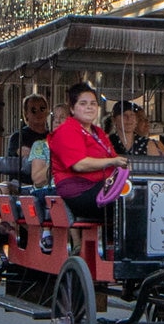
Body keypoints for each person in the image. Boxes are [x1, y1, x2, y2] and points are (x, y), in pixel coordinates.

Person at [44, 84, 128, 221]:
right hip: (79, 192)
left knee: (135, 198)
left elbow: (113, 157)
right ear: (72, 108)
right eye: (83, 103)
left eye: (93, 103)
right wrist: (113, 161)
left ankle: (118, 241)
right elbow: (79, 164)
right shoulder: (66, 131)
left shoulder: (98, 132)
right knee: (128, 203)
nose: (89, 107)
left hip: (101, 186)